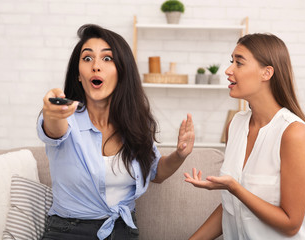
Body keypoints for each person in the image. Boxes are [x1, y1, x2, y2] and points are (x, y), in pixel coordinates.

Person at [37, 24, 195, 240]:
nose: (96, 66)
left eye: (107, 59)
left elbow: (155, 173)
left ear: (122, 71)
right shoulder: (66, 117)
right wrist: (52, 114)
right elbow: (54, 129)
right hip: (68, 231)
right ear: (78, 75)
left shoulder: (135, 124)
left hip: (122, 231)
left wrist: (180, 154)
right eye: (87, 58)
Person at [184, 33, 305, 239]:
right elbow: (233, 208)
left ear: (266, 73)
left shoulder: (293, 132)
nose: (228, 70)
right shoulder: (235, 125)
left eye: (239, 63)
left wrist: (234, 188)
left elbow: (291, 224)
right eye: (232, 62)